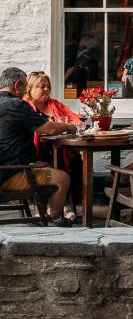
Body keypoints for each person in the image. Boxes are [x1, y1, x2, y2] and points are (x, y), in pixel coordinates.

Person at [0, 67, 77, 224]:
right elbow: (47, 128)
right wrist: (69, 127)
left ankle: (44, 215)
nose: (25, 90)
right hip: (9, 174)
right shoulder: (16, 105)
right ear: (16, 85)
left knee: (46, 165)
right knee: (63, 178)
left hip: (11, 168)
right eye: (25, 86)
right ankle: (54, 220)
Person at [24, 71, 81, 221]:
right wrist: (63, 126)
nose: (46, 90)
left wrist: (71, 124)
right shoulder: (24, 106)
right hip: (34, 150)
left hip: (57, 147)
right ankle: (48, 207)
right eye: (41, 86)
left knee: (74, 159)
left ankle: (63, 204)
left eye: (48, 86)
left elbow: (75, 120)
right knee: (52, 160)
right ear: (29, 88)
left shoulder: (55, 104)